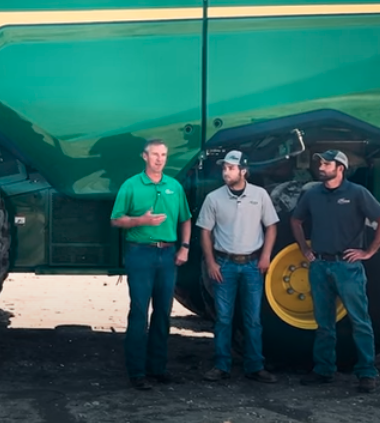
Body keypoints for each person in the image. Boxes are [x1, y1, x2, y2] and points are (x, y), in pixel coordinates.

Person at [289, 149, 380, 394]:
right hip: (320, 266)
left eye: (327, 164)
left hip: (348, 268)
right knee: (324, 323)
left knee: (360, 321)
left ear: (340, 168)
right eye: (321, 163)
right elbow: (296, 221)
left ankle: (367, 372)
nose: (322, 167)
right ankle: (324, 369)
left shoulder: (357, 193)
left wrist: (368, 252)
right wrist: (304, 248)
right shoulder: (313, 194)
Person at [110, 139, 192, 390]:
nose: (159, 159)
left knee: (163, 313)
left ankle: (158, 368)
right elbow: (116, 220)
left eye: (164, 155)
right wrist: (140, 221)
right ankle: (136, 372)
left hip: (167, 255)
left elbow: (186, 219)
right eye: (155, 154)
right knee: (139, 313)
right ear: (144, 157)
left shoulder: (174, 186)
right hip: (140, 254)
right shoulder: (131, 185)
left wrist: (185, 248)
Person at [196, 150, 279, 383]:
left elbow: (271, 226)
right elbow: (205, 231)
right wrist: (211, 262)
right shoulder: (214, 198)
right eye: (224, 168)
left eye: (231, 168)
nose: (226, 172)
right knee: (223, 318)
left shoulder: (260, 195)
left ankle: (255, 366)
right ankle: (222, 365)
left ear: (243, 170)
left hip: (253, 265)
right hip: (224, 265)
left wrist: (266, 256)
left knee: (253, 319)